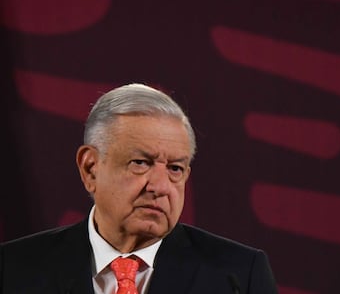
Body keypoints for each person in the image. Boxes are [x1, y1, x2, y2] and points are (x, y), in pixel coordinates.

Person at [0, 83, 278, 293]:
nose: (160, 187)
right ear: (90, 168)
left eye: (175, 169)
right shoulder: (13, 269)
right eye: (140, 163)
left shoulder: (239, 275)